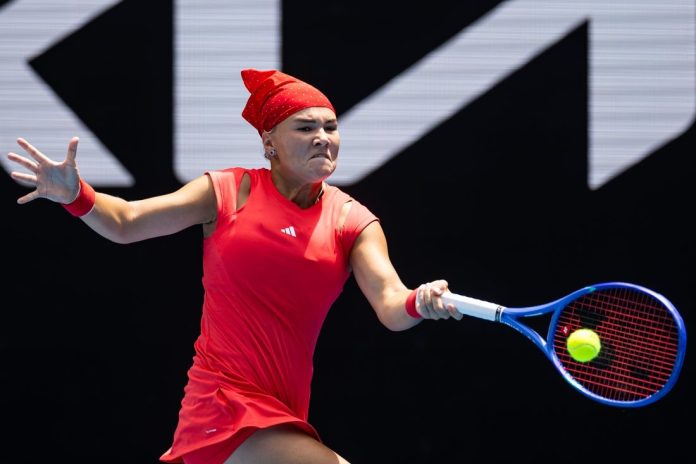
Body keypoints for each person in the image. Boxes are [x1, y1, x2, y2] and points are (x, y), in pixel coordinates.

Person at [6, 68, 463, 464]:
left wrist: (418, 302)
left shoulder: (353, 221)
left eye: (330, 126)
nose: (323, 137)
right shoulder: (228, 191)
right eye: (305, 127)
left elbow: (390, 303)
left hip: (284, 412)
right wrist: (75, 195)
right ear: (269, 143)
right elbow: (127, 222)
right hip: (223, 402)